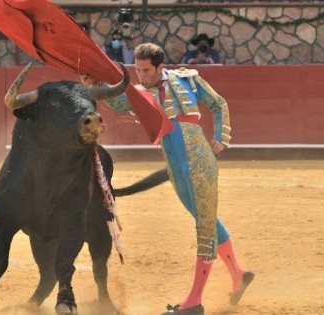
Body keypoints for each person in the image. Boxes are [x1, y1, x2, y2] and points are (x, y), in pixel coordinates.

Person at [81, 43, 253, 315]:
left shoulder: (188, 78)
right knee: (204, 219)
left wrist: (221, 137)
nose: (140, 75)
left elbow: (218, 103)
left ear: (161, 67)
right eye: (137, 69)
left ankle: (194, 301)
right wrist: (97, 84)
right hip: (175, 166)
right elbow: (117, 100)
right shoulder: (140, 93)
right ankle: (239, 275)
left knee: (204, 227)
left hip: (198, 160)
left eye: (146, 70)